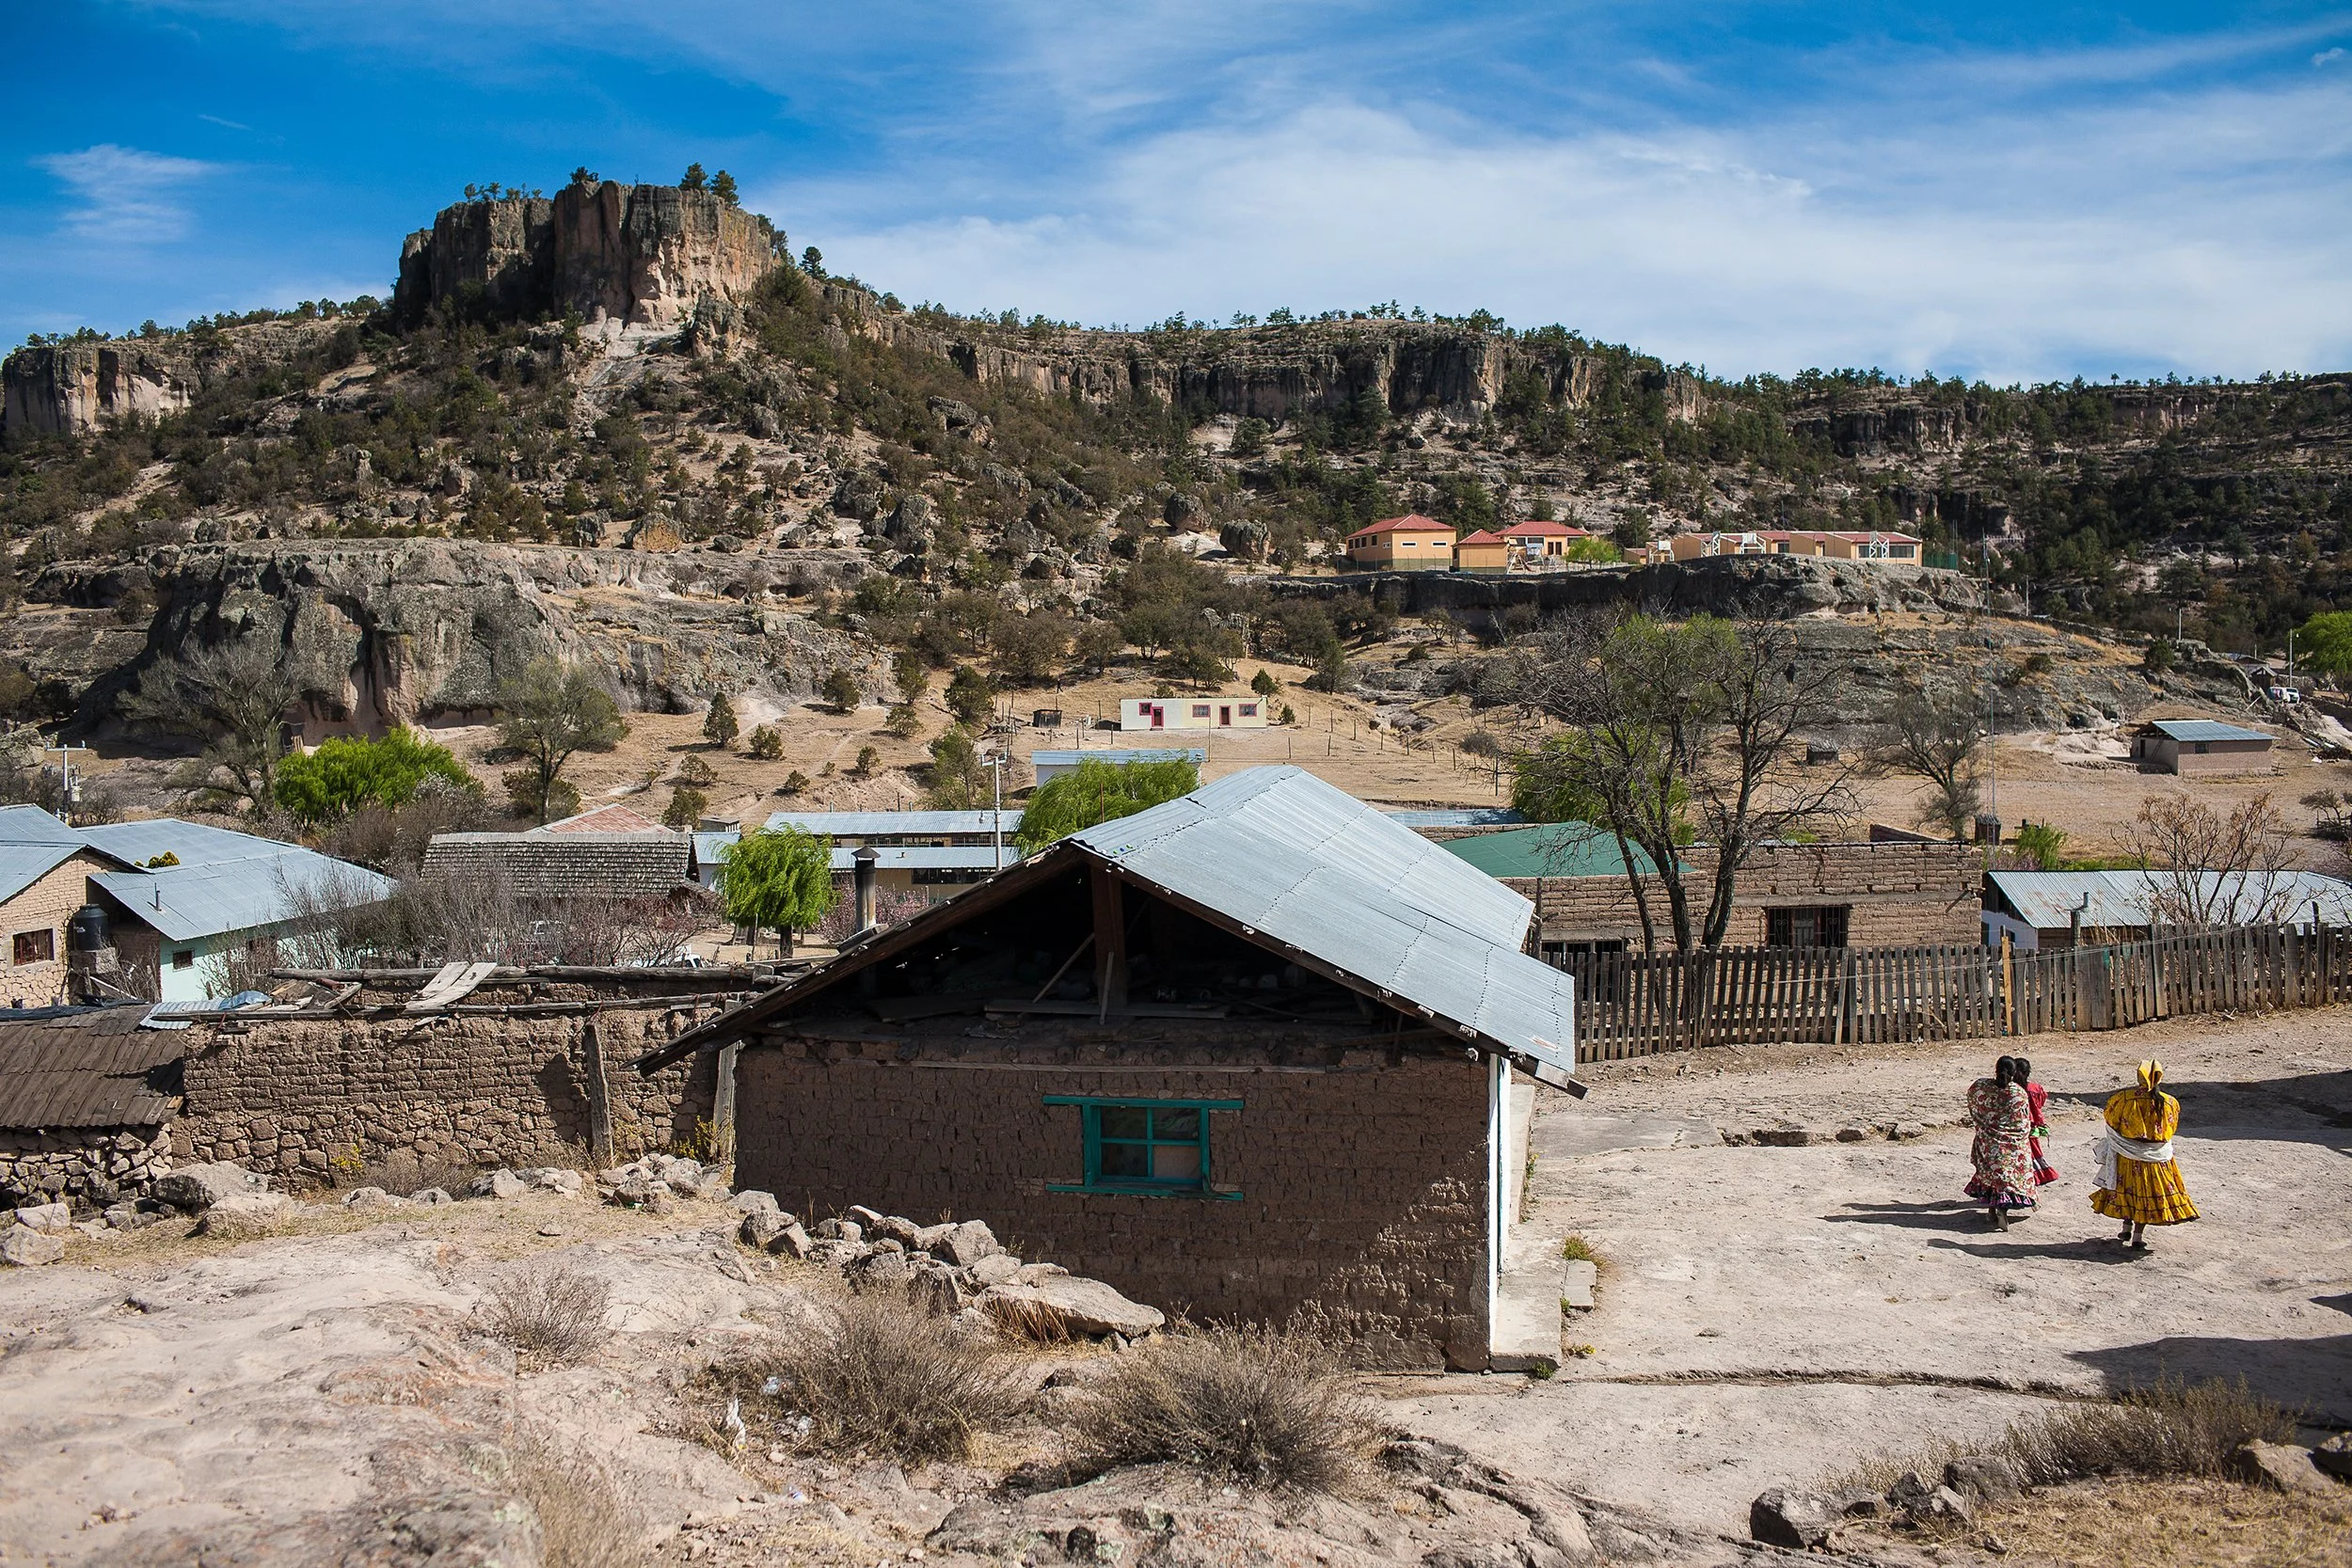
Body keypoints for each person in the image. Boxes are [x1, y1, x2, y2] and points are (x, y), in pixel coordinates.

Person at [2091, 1059, 2198, 1249]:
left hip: (2127, 1154)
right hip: (2156, 1158)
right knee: (2146, 1195)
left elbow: (2111, 1119)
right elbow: (2171, 1129)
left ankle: (2126, 1226)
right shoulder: (2170, 1102)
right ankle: (2138, 1237)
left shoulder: (2123, 1098)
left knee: (2127, 1189)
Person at [1965, 1055, 2037, 1229]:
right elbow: (2024, 1122)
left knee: (1992, 1175)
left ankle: (1992, 1210)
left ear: (1996, 1069)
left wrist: (1983, 1127)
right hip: (2012, 1145)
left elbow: (1972, 1104)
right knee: (2007, 1176)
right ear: (2015, 1073)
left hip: (1988, 1143)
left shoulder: (1981, 1087)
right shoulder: (2018, 1093)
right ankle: (2002, 1210)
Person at [2013, 1054, 2058, 1189]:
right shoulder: (2035, 1089)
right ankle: (2039, 1175)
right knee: (2035, 1152)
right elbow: (2041, 1102)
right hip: (2032, 1126)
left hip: (2015, 1126)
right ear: (2028, 1073)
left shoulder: (2011, 1089)